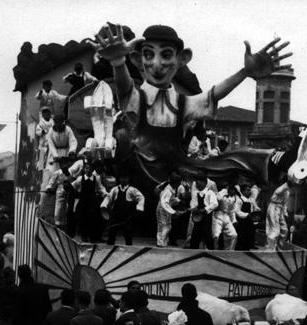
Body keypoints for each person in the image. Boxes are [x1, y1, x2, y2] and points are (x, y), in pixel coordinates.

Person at [90, 23, 294, 197]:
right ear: (137, 60)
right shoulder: (138, 98)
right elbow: (124, 89)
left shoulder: (182, 103)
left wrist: (245, 72)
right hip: (140, 169)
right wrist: (118, 63)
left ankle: (278, 160)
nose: (157, 64)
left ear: (182, 59)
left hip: (176, 171)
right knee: (126, 140)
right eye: (149, 55)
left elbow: (214, 94)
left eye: (166, 55)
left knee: (231, 159)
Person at [101, 173, 145, 246]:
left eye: (125, 178)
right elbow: (108, 198)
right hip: (116, 215)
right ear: (119, 179)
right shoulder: (115, 189)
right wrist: (104, 206)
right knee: (112, 232)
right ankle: (109, 248)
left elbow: (141, 198)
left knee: (128, 234)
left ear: (128, 179)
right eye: (122, 178)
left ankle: (129, 248)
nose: (123, 180)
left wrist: (139, 207)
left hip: (126, 216)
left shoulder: (132, 190)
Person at [71, 161, 108, 243]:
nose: (88, 170)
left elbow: (100, 187)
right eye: (87, 168)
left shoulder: (96, 178)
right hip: (83, 201)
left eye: (90, 168)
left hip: (92, 201)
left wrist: (105, 193)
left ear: (92, 170)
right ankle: (84, 236)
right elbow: (73, 186)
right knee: (83, 219)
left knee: (93, 219)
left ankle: (93, 237)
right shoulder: (80, 178)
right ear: (84, 169)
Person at [186, 174, 218, 249]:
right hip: (197, 217)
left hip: (206, 217)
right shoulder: (195, 193)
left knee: (207, 235)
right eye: (196, 183)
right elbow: (193, 203)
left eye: (199, 183)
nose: (197, 185)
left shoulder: (210, 193)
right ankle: (193, 251)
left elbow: (215, 204)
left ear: (204, 183)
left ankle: (211, 252)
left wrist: (204, 209)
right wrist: (192, 209)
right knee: (195, 235)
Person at [156, 173, 183, 247]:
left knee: (168, 226)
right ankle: (160, 242)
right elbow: (164, 203)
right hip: (163, 209)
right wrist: (174, 212)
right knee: (163, 226)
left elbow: (171, 200)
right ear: (176, 182)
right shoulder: (167, 190)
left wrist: (178, 201)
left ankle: (164, 241)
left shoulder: (171, 189)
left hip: (167, 209)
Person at [265, 181, 292, 251]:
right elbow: (280, 191)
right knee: (275, 231)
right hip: (273, 207)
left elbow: (285, 204)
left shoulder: (287, 192)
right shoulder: (281, 188)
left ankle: (278, 249)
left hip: (280, 209)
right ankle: (269, 250)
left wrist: (285, 213)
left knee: (284, 230)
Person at [212, 183, 238, 250]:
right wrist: (224, 193)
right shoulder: (222, 193)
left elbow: (232, 211)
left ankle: (229, 251)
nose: (233, 193)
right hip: (217, 215)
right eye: (232, 191)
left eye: (234, 192)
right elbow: (218, 198)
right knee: (216, 236)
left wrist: (234, 220)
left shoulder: (233, 198)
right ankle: (214, 251)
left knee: (234, 235)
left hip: (226, 217)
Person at [235, 183, 260, 250]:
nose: (250, 192)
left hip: (250, 221)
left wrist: (257, 210)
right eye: (248, 190)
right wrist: (247, 215)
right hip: (242, 222)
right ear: (243, 191)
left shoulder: (251, 200)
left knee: (250, 235)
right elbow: (237, 212)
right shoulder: (240, 200)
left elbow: (255, 208)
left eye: (250, 190)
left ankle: (248, 248)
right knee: (242, 236)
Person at [36, 107, 54, 171]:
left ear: (49, 114)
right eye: (44, 113)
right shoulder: (41, 123)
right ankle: (39, 177)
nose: (46, 114)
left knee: (49, 164)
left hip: (51, 146)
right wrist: (42, 132)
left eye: (47, 113)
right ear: (43, 114)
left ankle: (46, 178)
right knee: (41, 164)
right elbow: (37, 132)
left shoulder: (53, 122)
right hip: (43, 146)